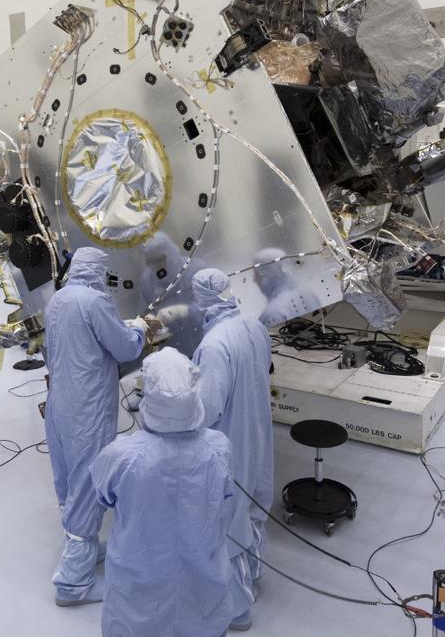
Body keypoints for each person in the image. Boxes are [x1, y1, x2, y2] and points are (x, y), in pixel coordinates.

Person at [92, 347, 235, 637]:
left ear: (150, 396)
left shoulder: (123, 455)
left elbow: (103, 496)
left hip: (139, 595)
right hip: (202, 593)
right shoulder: (218, 448)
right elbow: (224, 494)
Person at [44, 246, 148, 606]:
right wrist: (139, 330)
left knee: (69, 478)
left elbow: (49, 351)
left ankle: (80, 543)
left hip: (60, 402)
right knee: (89, 480)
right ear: (96, 272)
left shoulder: (57, 300)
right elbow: (123, 349)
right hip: (88, 406)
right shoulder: (94, 302)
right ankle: (74, 583)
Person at [191, 268, 274, 631]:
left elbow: (207, 408)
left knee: (230, 518)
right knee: (254, 504)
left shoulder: (213, 345)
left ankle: (237, 608)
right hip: (258, 431)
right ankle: (252, 575)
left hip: (230, 441)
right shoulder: (254, 325)